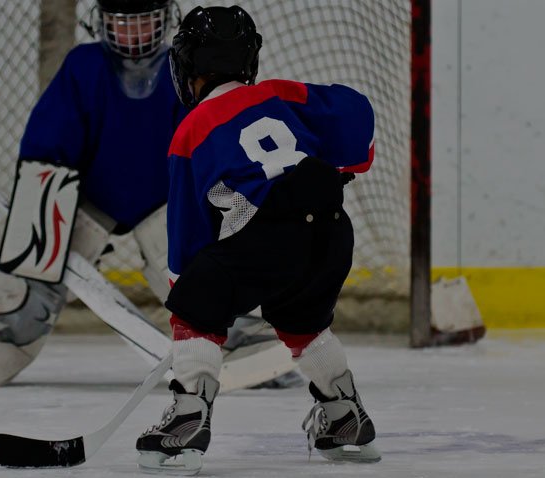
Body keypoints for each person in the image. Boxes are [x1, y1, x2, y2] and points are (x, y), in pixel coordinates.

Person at [0, 0, 302, 389]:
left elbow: (211, 136)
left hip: (169, 194)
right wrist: (41, 200)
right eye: (122, 25)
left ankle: (250, 343)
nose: (134, 35)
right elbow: (51, 139)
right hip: (90, 196)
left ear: (165, 20)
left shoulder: (189, 67)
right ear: (102, 23)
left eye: (144, 22)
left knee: (211, 259)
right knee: (32, 239)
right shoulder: (84, 66)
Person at [134, 5, 380, 474]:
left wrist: (189, 304)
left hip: (272, 231)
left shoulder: (189, 132)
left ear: (186, 67)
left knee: (196, 301)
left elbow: (189, 235)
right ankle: (344, 415)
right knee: (302, 320)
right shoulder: (279, 94)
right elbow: (355, 113)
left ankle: (188, 416)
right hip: (332, 227)